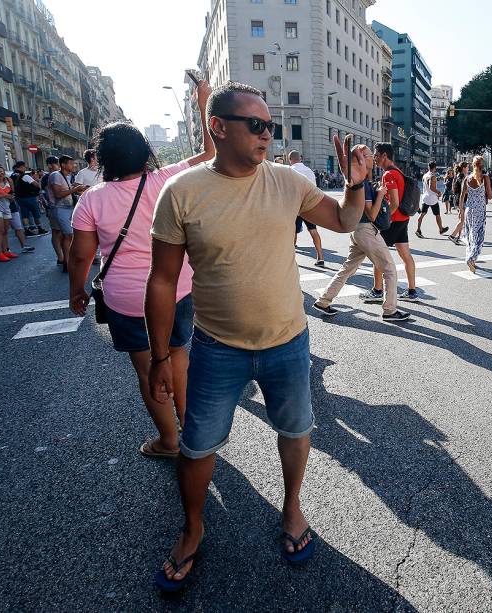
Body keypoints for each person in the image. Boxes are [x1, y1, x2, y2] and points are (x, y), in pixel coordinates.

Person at [146, 82, 374, 591]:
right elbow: (161, 280)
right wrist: (161, 355)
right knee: (198, 443)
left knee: (295, 430)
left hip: (287, 342)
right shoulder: (180, 192)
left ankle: (292, 508)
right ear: (218, 128)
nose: (268, 134)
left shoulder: (287, 182)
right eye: (257, 125)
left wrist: (356, 184)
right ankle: (193, 527)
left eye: (270, 126)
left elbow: (342, 221)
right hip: (214, 348)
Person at [68, 80, 215, 459]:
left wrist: (77, 290)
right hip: (178, 290)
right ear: (145, 153)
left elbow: (81, 256)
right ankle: (194, 437)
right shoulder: (165, 179)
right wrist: (203, 105)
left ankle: (169, 441)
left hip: (126, 299)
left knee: (147, 369)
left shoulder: (90, 200)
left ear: (101, 159)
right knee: (179, 360)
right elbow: (209, 152)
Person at [314, 179, 410, 321]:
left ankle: (323, 301)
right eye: (369, 156)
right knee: (389, 269)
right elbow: (371, 214)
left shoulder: (357, 182)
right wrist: (380, 194)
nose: (373, 158)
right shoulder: (363, 183)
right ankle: (390, 311)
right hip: (366, 230)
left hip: (357, 229)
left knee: (348, 268)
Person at [368, 142, 420, 302]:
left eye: (376, 155)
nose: (374, 159)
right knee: (406, 255)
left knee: (377, 255)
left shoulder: (388, 174)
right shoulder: (398, 171)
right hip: (403, 219)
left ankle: (377, 291)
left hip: (393, 221)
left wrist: (383, 219)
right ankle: (412, 291)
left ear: (384, 156)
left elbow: (395, 202)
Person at [0, 164, 32, 261]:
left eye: (2, 172)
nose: (0, 174)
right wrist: (3, 195)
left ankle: (6, 250)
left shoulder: (8, 180)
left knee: (5, 231)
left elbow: (11, 193)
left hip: (7, 208)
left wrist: (11, 198)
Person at [286, 150, 326, 268]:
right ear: (300, 159)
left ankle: (292, 260)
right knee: (313, 230)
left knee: (293, 231)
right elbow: (315, 188)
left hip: (296, 205)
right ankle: (320, 257)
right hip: (309, 205)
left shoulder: (290, 171)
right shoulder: (309, 171)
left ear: (290, 160)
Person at [49, 155, 89, 272]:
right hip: (59, 208)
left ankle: (67, 260)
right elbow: (58, 194)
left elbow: (68, 192)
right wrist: (75, 190)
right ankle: (67, 262)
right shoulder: (56, 175)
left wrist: (81, 190)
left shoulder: (68, 176)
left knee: (66, 235)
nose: (74, 166)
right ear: (63, 164)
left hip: (68, 208)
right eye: (71, 164)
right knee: (68, 235)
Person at [462, 155, 492, 272]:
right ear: (482, 165)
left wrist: (461, 210)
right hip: (480, 210)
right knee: (478, 236)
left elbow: (462, 196)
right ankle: (471, 258)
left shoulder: (467, 178)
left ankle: (471, 258)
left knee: (470, 235)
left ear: (472, 165)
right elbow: (489, 195)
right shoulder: (485, 178)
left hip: (469, 210)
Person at [41, 156, 66, 266]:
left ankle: (64, 255)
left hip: (64, 208)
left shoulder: (60, 175)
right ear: (50, 165)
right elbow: (48, 194)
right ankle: (60, 257)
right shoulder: (48, 177)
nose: (59, 165)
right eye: (56, 163)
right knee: (57, 232)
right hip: (54, 208)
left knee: (63, 233)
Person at [11, 161, 48, 236]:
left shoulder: (12, 176)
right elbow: (36, 184)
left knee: (24, 215)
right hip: (29, 197)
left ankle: (27, 230)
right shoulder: (24, 176)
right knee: (35, 213)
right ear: (21, 167)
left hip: (19, 198)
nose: (25, 169)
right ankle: (40, 228)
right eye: (25, 167)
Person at [416, 161, 448, 238]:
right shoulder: (432, 176)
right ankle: (441, 229)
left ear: (428, 167)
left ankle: (418, 229)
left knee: (422, 214)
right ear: (435, 168)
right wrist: (439, 192)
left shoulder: (425, 175)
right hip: (432, 198)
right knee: (437, 215)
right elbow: (432, 187)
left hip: (425, 197)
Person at [448, 161, 469, 245]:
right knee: (462, 220)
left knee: (461, 219)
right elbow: (465, 191)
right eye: (467, 167)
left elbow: (453, 188)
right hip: (462, 200)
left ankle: (459, 237)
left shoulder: (456, 176)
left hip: (456, 199)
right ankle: (453, 235)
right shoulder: (464, 177)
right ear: (463, 168)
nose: (468, 168)